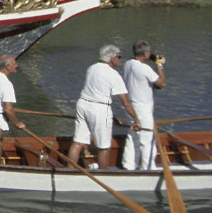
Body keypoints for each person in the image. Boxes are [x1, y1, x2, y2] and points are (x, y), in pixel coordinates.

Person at [66, 45, 142, 170]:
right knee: (104, 147)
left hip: (83, 105)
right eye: (119, 56)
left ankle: (68, 171)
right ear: (112, 58)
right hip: (99, 108)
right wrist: (136, 120)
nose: (119, 59)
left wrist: (111, 117)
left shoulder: (91, 68)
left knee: (78, 142)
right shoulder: (113, 74)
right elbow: (126, 102)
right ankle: (104, 176)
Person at [119, 41, 167, 171]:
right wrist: (159, 65)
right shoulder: (144, 68)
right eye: (149, 52)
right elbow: (162, 83)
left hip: (130, 107)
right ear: (145, 53)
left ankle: (129, 166)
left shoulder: (128, 64)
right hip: (142, 108)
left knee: (133, 136)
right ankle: (149, 168)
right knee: (147, 138)